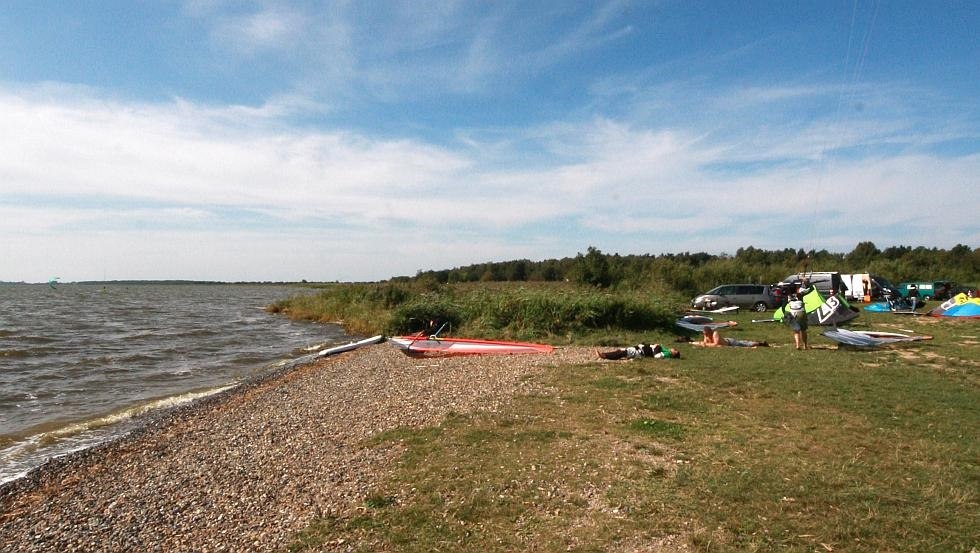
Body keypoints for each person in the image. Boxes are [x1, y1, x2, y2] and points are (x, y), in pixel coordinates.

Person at [784, 281, 810, 350]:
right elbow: (807, 290)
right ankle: (805, 346)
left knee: (796, 331)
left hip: (792, 313)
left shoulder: (789, 296)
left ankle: (798, 345)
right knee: (803, 330)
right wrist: (805, 282)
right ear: (795, 288)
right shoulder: (800, 293)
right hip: (801, 312)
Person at [696, 325, 768, 348]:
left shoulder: (715, 333)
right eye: (704, 333)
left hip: (730, 342)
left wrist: (705, 344)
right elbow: (705, 343)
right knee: (744, 342)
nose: (705, 335)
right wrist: (704, 343)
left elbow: (716, 344)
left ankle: (761, 344)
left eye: (706, 333)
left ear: (709, 332)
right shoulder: (706, 335)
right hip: (727, 341)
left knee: (746, 344)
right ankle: (760, 343)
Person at [596, 343, 680, 360]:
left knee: (622, 353)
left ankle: (604, 355)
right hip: (639, 349)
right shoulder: (665, 351)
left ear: (674, 353)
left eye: (675, 350)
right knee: (621, 351)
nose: (673, 348)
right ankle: (605, 355)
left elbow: (657, 356)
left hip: (640, 352)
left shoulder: (667, 353)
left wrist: (655, 347)